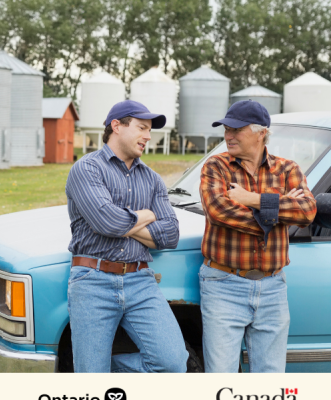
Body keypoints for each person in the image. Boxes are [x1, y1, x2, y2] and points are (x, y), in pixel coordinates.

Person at [65, 100, 188, 373]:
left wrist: (122, 221)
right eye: (142, 128)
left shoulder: (153, 179)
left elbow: (171, 235)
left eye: (149, 130)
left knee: (172, 364)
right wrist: (147, 214)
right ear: (117, 126)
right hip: (92, 280)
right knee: (91, 375)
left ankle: (96, 371)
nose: (148, 136)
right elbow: (107, 222)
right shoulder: (87, 169)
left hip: (140, 281)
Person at [199, 100, 317, 372]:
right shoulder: (216, 166)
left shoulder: (288, 169)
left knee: (270, 379)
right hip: (223, 283)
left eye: (236, 129)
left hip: (273, 287)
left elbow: (308, 211)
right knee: (221, 377)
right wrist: (279, 213)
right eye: (226, 128)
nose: (228, 135)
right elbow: (219, 211)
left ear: (261, 132)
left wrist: (250, 199)